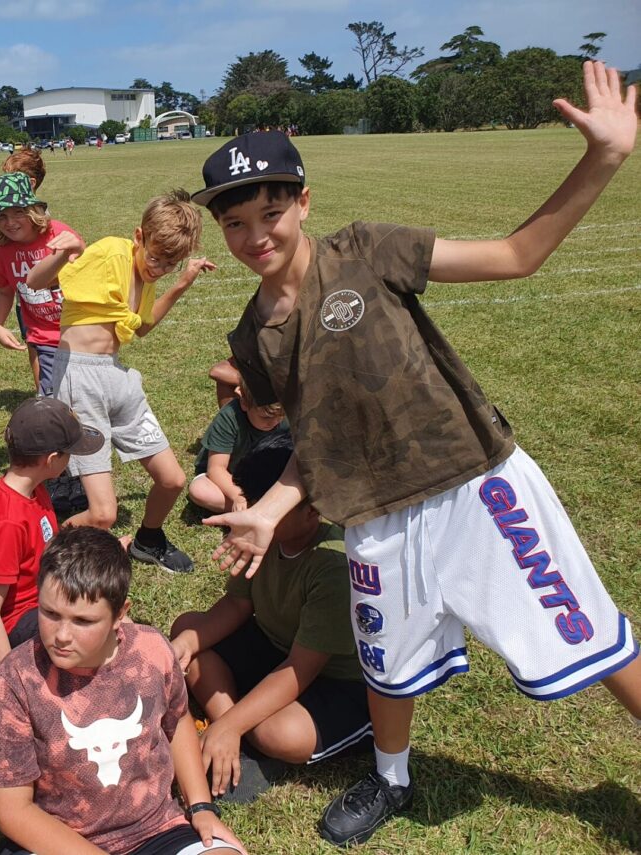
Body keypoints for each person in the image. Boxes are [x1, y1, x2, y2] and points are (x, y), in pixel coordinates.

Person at [195, 62, 641, 847]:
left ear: (304, 202)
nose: (256, 234)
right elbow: (317, 438)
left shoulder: (368, 250)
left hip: (473, 484)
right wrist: (267, 510)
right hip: (374, 518)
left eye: (271, 211)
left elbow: (514, 255)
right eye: (235, 223)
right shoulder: (252, 336)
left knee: (586, 629)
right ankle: (392, 777)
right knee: (387, 668)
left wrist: (603, 155)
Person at [0, 526, 246, 855]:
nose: (61, 635)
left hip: (156, 827)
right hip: (59, 839)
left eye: (83, 621)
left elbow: (177, 723)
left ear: (120, 614)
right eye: (49, 613)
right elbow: (13, 811)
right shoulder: (14, 681)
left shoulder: (152, 652)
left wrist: (201, 807)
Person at [171, 444, 372, 802]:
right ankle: (232, 731)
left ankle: (240, 731)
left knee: (277, 734)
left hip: (335, 678)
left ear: (312, 511)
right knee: (188, 631)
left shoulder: (332, 566)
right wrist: (186, 644)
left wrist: (232, 725)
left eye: (265, 507)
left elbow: (301, 668)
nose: (249, 514)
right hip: (274, 645)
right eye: (249, 501)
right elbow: (236, 604)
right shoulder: (261, 538)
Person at [30, 190, 216, 573]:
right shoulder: (112, 253)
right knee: (102, 515)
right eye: (156, 257)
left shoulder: (146, 278)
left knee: (173, 479)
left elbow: (142, 327)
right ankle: (40, 553)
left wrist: (180, 283)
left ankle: (148, 540)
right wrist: (66, 252)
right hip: (81, 378)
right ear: (138, 235)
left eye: (170, 262)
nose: (160, 268)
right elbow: (36, 280)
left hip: (118, 376)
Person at [0, 397, 103, 667]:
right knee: (92, 643)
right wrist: (9, 680)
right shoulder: (8, 522)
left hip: (45, 594)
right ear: (51, 460)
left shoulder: (35, 489)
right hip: (20, 617)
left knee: (109, 614)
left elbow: (47, 544)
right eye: (69, 452)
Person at [0, 172, 80, 397]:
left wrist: (77, 246)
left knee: (87, 395)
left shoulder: (57, 232)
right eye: (1, 216)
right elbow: (5, 291)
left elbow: (85, 263)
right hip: (44, 336)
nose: (10, 222)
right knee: (52, 400)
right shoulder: (1, 253)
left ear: (33, 211)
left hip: (80, 330)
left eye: (18, 212)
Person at [188, 382, 291, 513]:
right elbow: (216, 469)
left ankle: (257, 509)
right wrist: (237, 495)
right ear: (244, 403)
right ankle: (264, 509)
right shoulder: (230, 417)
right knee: (199, 490)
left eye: (280, 415)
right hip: (227, 479)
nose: (274, 422)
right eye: (265, 417)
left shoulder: (283, 415)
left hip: (261, 476)